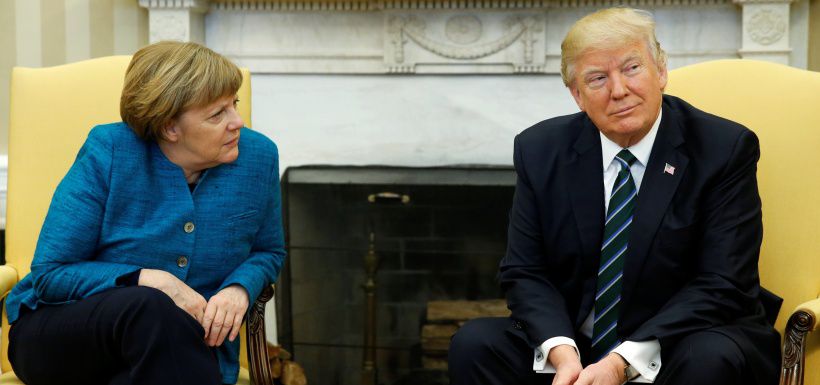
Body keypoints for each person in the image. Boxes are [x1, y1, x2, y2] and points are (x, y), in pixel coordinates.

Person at [448, 8, 780, 385]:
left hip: (680, 340)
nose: (619, 90)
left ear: (661, 72)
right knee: (475, 343)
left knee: (708, 357)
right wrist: (561, 351)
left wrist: (621, 361)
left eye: (632, 68)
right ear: (577, 95)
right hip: (577, 345)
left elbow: (724, 283)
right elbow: (525, 271)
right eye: (597, 78)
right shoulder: (540, 150)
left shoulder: (723, 148)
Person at [4, 41, 286, 385]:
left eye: (234, 105)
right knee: (149, 304)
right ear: (170, 127)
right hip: (63, 337)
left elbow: (268, 250)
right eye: (218, 114)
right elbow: (51, 275)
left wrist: (240, 288)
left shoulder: (259, 158)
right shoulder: (108, 151)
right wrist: (150, 279)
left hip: (170, 354)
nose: (237, 122)